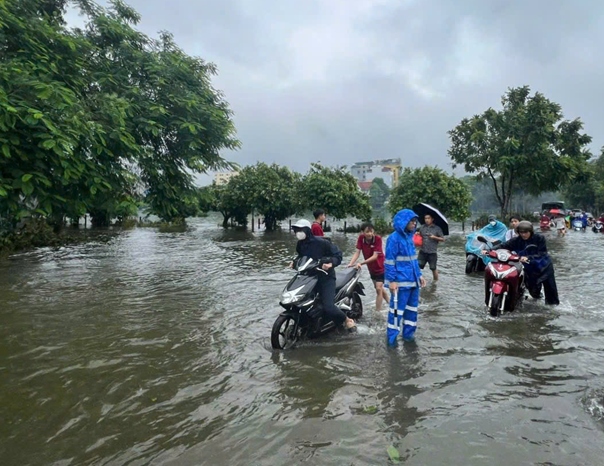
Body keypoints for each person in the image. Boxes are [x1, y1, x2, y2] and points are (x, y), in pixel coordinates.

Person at [291, 219, 356, 329]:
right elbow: (301, 257)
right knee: (299, 301)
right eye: (296, 230)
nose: (298, 232)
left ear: (307, 230)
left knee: (328, 307)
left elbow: (338, 255)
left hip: (325, 278)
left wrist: (331, 263)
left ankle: (347, 320)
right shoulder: (300, 244)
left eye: (300, 230)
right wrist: (294, 262)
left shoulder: (322, 243)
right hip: (308, 277)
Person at [482, 220, 559, 305]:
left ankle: (552, 307)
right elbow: (503, 246)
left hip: (543, 266)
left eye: (526, 232)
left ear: (530, 232)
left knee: (551, 290)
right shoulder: (516, 240)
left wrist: (528, 257)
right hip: (529, 268)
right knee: (533, 291)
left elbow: (542, 253)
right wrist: (489, 250)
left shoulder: (539, 238)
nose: (523, 234)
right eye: (521, 232)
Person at [385, 209, 426, 344]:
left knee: (412, 311)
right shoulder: (394, 238)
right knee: (396, 313)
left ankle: (409, 337)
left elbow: (413, 260)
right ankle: (392, 341)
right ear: (403, 222)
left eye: (415, 221)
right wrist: (392, 281)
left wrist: (419, 275)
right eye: (411, 221)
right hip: (400, 283)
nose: (414, 224)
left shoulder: (409, 238)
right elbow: (390, 261)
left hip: (413, 282)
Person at [347, 222, 390, 311]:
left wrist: (360, 263)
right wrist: (351, 263)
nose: (369, 234)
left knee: (378, 289)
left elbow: (375, 256)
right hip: (371, 268)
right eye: (367, 232)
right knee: (379, 289)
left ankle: (378, 312)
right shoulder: (361, 238)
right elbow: (357, 252)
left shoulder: (377, 239)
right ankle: (392, 304)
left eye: (371, 232)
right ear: (362, 232)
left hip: (381, 267)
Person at [417, 214, 445, 281]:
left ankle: (435, 283)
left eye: (428, 218)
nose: (426, 220)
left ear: (432, 219)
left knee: (433, 268)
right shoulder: (422, 227)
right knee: (417, 266)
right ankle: (417, 281)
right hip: (422, 251)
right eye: (425, 218)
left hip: (432, 252)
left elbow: (443, 239)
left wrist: (434, 237)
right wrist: (417, 234)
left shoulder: (437, 228)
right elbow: (419, 235)